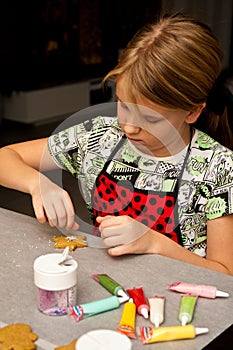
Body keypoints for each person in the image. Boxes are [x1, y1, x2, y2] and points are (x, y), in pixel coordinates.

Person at [0, 12, 233, 275]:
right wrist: (37, 184)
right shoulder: (98, 137)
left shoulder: (218, 168)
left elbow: (225, 273)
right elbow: (5, 157)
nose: (130, 126)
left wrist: (155, 243)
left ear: (192, 112)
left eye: (150, 118)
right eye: (123, 105)